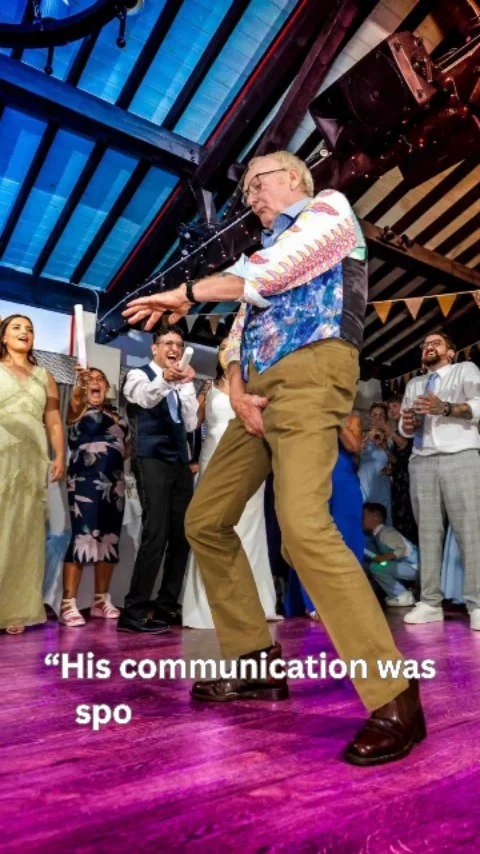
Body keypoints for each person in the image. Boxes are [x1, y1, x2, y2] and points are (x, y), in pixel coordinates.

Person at [123, 150, 425, 766]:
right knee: (205, 520)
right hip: (256, 393)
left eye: (256, 185)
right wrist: (236, 388)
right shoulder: (261, 249)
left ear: (293, 178)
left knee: (304, 528)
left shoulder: (328, 210)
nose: (251, 199)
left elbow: (273, 273)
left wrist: (185, 292)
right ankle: (255, 662)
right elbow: (238, 332)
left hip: (312, 374)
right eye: (247, 192)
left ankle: (395, 695)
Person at [182, 338, 278, 627]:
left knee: (249, 528)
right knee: (209, 524)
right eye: (223, 347)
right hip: (212, 461)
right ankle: (211, 607)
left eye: (233, 347)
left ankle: (254, 604)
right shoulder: (207, 387)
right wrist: (184, 386)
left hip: (248, 461)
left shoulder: (253, 387)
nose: (227, 352)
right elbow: (190, 424)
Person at [119, 326, 198, 633]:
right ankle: (134, 610)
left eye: (179, 344)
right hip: (150, 458)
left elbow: (190, 422)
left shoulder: (183, 382)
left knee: (182, 534)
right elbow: (146, 399)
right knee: (156, 531)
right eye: (168, 343)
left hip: (179, 461)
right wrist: (166, 379)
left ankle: (166, 604)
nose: (174, 348)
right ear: (155, 348)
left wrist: (186, 385)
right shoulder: (138, 375)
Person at [400, 331, 480, 629]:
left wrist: (445, 407)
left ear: (450, 352)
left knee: (470, 532)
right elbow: (405, 428)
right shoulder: (414, 384)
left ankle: (477, 604)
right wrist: (408, 424)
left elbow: (479, 405)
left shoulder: (465, 370)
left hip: (460, 456)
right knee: (427, 534)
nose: (428, 347)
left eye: (436, 343)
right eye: (425, 345)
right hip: (421, 460)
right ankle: (430, 602)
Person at [0, 314, 65, 634]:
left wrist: (60, 454)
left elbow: (53, 420)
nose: (24, 332)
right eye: (16, 327)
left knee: (24, 532)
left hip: (32, 459)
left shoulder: (44, 376)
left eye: (29, 329)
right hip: (2, 452)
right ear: (3, 336)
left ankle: (15, 608)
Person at [60, 367, 130, 627]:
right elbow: (76, 403)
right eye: (90, 380)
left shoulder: (117, 414)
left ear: (107, 387)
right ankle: (68, 603)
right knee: (83, 536)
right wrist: (81, 383)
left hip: (114, 484)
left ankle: (101, 600)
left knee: (109, 538)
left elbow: (126, 446)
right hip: (84, 482)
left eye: (100, 379)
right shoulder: (77, 409)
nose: (95, 383)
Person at [286, 412, 365, 618]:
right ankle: (312, 603)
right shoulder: (304, 410)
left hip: (343, 481)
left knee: (349, 539)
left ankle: (349, 598)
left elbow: (354, 446)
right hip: (310, 478)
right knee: (309, 538)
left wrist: (333, 416)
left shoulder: (350, 417)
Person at [362, 503, 418, 607]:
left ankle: (402, 596)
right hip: (408, 566)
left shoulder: (386, 532)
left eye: (363, 515)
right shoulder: (379, 534)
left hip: (414, 567)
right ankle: (399, 594)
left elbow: (403, 548)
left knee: (376, 567)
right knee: (379, 566)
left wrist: (384, 558)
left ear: (375, 516)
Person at [386, 395, 417, 543]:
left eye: (395, 406)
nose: (391, 410)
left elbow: (405, 446)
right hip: (399, 481)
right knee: (400, 518)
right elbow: (397, 460)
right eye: (389, 407)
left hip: (411, 479)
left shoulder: (410, 426)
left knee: (411, 517)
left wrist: (388, 430)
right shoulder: (396, 432)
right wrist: (384, 448)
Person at [358, 403, 392, 524]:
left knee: (382, 524)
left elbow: (396, 462)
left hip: (381, 487)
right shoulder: (360, 437)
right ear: (369, 418)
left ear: (385, 419)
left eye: (381, 416)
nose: (377, 419)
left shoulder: (390, 440)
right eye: (374, 415)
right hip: (362, 486)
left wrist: (385, 447)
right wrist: (364, 441)